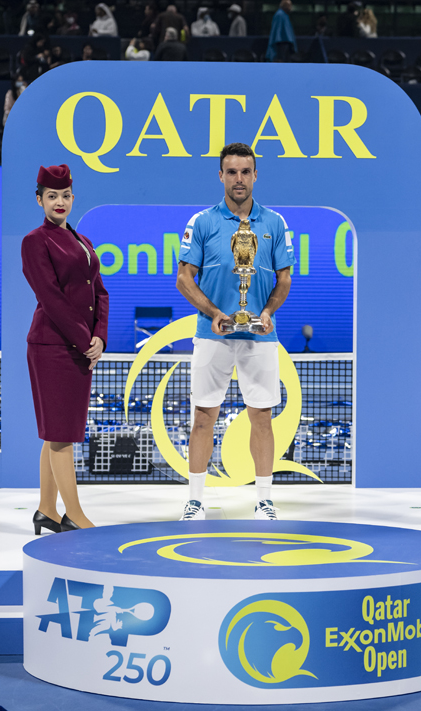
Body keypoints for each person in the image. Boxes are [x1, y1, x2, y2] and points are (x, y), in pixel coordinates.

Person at [176, 143, 295, 522]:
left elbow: (284, 279)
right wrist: (213, 313)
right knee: (203, 417)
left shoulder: (274, 223)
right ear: (221, 176)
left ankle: (264, 501)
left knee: (261, 416)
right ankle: (195, 501)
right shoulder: (202, 222)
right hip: (212, 334)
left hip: (259, 335)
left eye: (245, 172)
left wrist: (267, 311)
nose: (239, 179)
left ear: (255, 175)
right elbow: (184, 278)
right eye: (232, 172)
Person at [21, 164, 108, 535]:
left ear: (73, 198)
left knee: (58, 432)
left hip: (78, 347)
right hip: (52, 348)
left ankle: (46, 509)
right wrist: (84, 340)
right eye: (52, 196)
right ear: (39, 200)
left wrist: (99, 336)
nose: (60, 202)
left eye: (66, 195)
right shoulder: (34, 241)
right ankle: (74, 515)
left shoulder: (83, 241)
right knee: (61, 435)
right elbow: (51, 298)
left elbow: (100, 292)